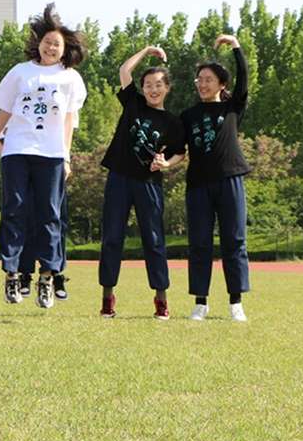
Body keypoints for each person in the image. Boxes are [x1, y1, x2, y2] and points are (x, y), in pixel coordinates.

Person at [0, 4, 87, 308]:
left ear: (65, 49)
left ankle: (48, 277)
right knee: (14, 209)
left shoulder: (70, 78)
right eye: (47, 42)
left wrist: (66, 157)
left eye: (57, 44)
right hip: (17, 151)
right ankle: (12, 274)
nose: (51, 48)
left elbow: (68, 121)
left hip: (51, 154)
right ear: (38, 43)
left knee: (49, 214)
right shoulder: (20, 72)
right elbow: (5, 111)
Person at [97, 46, 186, 319]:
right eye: (148, 85)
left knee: (154, 240)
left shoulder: (172, 122)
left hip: (148, 183)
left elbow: (180, 153)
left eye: (158, 85)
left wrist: (166, 164)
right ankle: (107, 298)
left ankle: (161, 299)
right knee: (112, 238)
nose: (153, 89)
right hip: (119, 178)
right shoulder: (133, 103)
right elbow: (124, 70)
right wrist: (147, 51)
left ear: (167, 88)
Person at [179, 35, 252, 322]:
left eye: (208, 79)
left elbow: (244, 78)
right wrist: (163, 161)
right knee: (199, 244)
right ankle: (201, 303)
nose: (202, 84)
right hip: (198, 185)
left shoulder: (232, 108)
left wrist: (236, 46)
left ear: (222, 84)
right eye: (199, 80)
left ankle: (236, 302)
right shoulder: (188, 116)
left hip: (230, 180)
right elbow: (178, 150)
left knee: (234, 241)